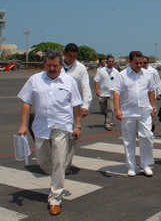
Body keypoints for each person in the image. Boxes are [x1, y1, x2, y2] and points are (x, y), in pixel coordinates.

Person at [17, 50, 82, 216]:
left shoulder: (69, 81)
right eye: (48, 65)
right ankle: (57, 176)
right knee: (43, 160)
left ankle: (55, 198)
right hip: (40, 127)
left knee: (60, 162)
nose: (52, 68)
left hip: (62, 126)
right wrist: (23, 125)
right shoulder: (35, 80)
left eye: (55, 65)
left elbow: (76, 105)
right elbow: (26, 102)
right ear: (44, 65)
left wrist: (77, 126)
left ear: (61, 65)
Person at [111, 51, 156, 177]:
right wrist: (117, 109)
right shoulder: (122, 75)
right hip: (128, 111)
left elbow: (152, 91)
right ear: (130, 61)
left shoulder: (147, 74)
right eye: (136, 63)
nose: (139, 65)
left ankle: (145, 164)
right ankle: (131, 166)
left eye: (141, 63)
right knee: (129, 139)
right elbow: (116, 92)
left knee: (147, 136)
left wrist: (153, 107)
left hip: (144, 110)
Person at [62, 43, 92, 175]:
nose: (72, 59)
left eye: (75, 56)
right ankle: (55, 161)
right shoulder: (56, 65)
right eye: (70, 56)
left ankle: (66, 164)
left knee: (71, 136)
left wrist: (85, 105)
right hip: (56, 106)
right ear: (64, 53)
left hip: (73, 106)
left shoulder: (80, 68)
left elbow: (86, 87)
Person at [94, 55, 119, 131]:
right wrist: (97, 90)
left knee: (111, 108)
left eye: (112, 61)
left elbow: (118, 82)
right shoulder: (101, 71)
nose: (111, 63)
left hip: (112, 92)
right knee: (103, 108)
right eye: (109, 61)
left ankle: (108, 123)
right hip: (102, 92)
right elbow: (96, 80)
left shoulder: (116, 72)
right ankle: (107, 116)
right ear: (107, 62)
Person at [142, 56, 161, 132]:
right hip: (142, 96)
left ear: (148, 63)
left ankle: (152, 125)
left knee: (152, 113)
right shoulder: (138, 71)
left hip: (152, 96)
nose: (143, 64)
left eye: (145, 62)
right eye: (142, 62)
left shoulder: (153, 71)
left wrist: (159, 93)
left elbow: (158, 82)